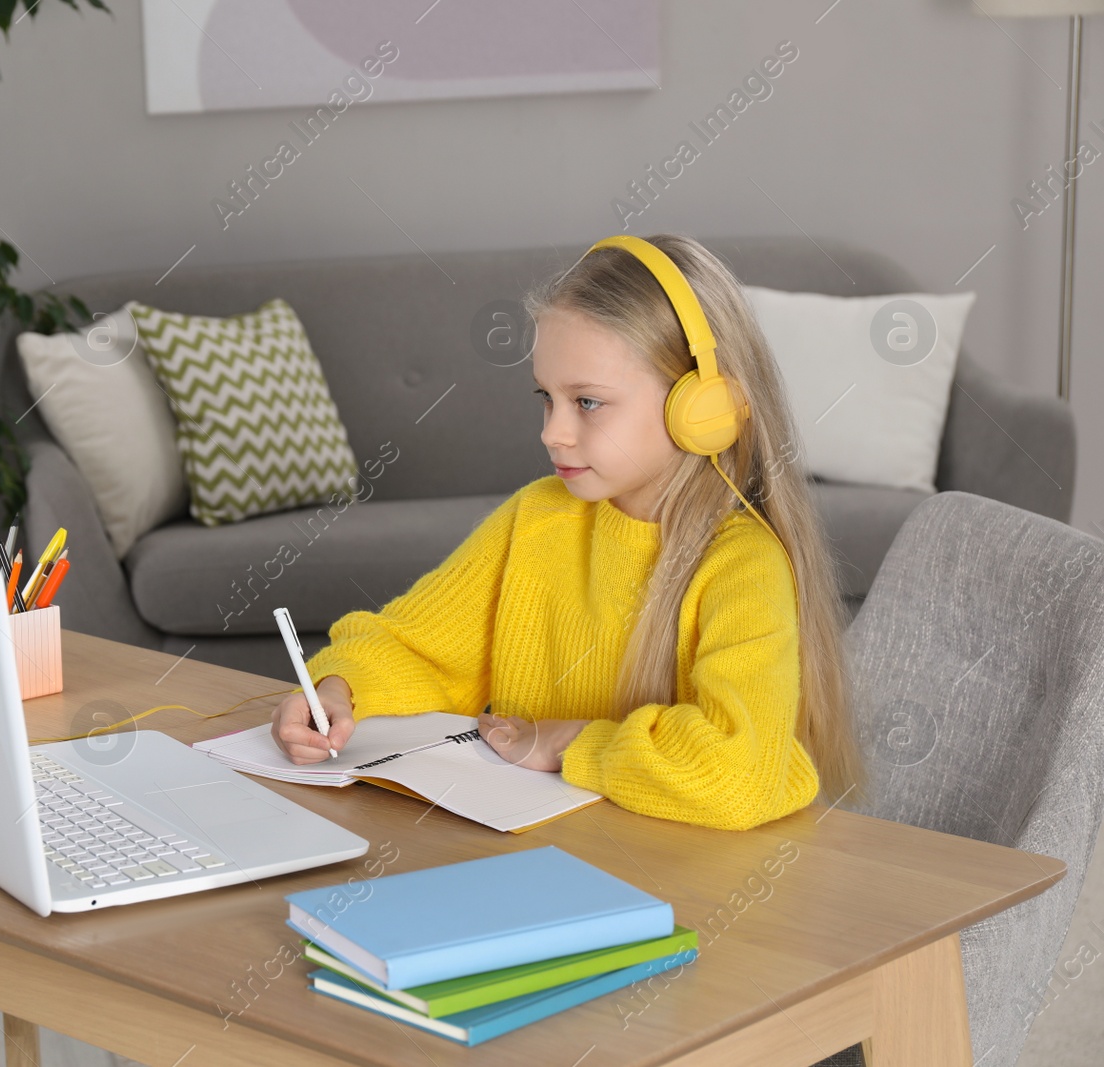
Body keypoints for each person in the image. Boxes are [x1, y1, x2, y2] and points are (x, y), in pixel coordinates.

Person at [269, 233, 865, 832]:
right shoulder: (538, 517)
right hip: (541, 852)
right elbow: (419, 646)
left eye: (587, 402)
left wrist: (572, 743)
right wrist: (339, 688)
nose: (552, 432)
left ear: (702, 408)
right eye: (545, 398)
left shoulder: (742, 565)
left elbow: (737, 774)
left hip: (681, 880)